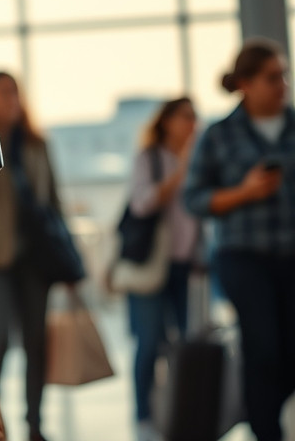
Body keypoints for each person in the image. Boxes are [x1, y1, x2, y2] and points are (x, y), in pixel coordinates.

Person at [184, 38, 294, 441]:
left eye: (283, 74)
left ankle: (268, 412)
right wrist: (244, 192)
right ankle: (266, 431)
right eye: (271, 77)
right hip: (243, 257)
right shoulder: (219, 135)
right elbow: (193, 198)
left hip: (291, 256)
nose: (281, 83)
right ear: (246, 83)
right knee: (263, 347)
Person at [0, 71, 67, 441]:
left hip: (36, 259)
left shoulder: (37, 145)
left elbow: (53, 202)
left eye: (15, 92)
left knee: (36, 342)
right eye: (4, 93)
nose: (13, 99)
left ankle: (35, 426)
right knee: (0, 339)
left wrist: (68, 260)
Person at [125, 96, 200, 441]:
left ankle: (179, 410)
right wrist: (179, 173)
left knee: (184, 342)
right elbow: (141, 204)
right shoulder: (150, 159)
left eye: (194, 117)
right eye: (185, 116)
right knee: (149, 342)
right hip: (150, 267)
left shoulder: (201, 159)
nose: (191, 123)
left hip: (188, 264)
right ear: (167, 121)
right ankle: (144, 418)